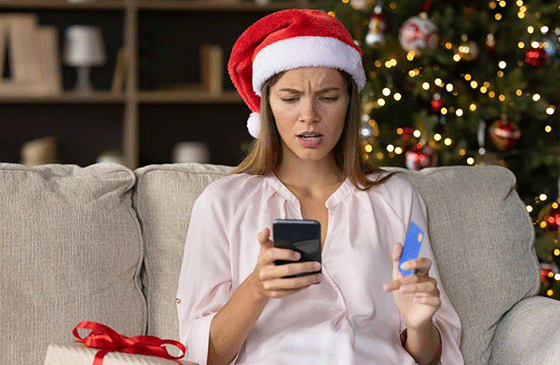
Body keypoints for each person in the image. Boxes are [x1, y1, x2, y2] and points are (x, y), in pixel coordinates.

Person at [177, 9, 463, 365]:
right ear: (266, 105)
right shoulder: (222, 203)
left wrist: (420, 325)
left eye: (328, 97)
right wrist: (256, 288)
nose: (309, 115)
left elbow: (429, 356)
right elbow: (202, 356)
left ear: (349, 104)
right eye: (290, 97)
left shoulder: (397, 197)